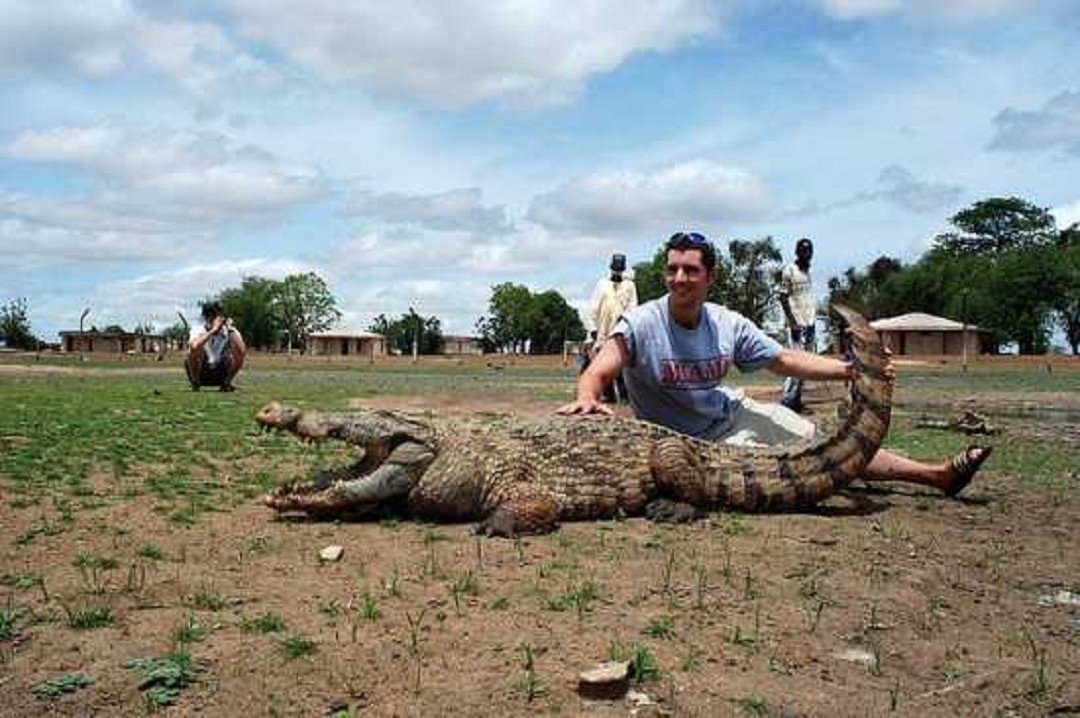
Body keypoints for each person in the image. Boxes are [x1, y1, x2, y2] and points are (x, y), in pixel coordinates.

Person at [559, 231, 991, 498]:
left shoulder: (728, 324)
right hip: (680, 446)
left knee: (827, 444)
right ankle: (934, 476)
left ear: (710, 277)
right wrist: (586, 396)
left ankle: (936, 476)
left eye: (690, 270)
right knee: (807, 467)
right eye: (672, 270)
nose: (679, 279)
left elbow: (784, 359)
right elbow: (600, 368)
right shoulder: (642, 322)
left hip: (733, 415)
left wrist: (849, 370)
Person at [588, 253, 638, 402]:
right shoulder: (602, 284)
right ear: (611, 268)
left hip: (621, 330)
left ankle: (625, 396)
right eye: (615, 269)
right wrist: (593, 329)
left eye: (620, 269)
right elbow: (593, 307)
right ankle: (608, 396)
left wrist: (628, 327)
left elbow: (633, 307)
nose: (617, 272)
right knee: (604, 363)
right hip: (603, 330)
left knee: (621, 364)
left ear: (623, 269)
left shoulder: (630, 285)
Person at [779, 237, 817, 413]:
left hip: (810, 324)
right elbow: (783, 297)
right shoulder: (789, 270)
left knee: (806, 365)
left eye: (809, 251)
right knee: (795, 364)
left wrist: (813, 322)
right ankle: (787, 403)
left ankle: (796, 401)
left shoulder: (807, 272)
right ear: (797, 252)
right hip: (796, 325)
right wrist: (793, 323)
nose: (807, 254)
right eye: (803, 250)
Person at [185, 301, 246, 392]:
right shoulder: (197, 329)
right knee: (194, 350)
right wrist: (213, 331)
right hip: (201, 373)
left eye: (215, 316)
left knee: (236, 352)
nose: (212, 319)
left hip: (221, 373)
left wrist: (230, 330)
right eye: (209, 316)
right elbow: (194, 347)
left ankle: (226, 383)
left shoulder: (230, 331)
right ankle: (195, 382)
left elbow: (242, 352)